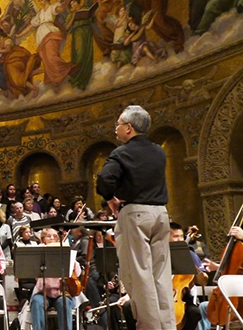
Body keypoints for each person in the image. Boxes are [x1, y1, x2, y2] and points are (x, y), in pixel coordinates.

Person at [97, 106, 173, 330]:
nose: (116, 129)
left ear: (129, 128)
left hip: (136, 215)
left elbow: (104, 180)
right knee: (161, 276)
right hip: (161, 214)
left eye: (118, 124)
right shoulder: (159, 151)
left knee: (139, 276)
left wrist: (110, 197)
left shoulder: (122, 153)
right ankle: (167, 326)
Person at [31, 228, 80, 330]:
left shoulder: (64, 251)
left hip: (62, 292)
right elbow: (35, 275)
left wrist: (72, 261)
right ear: (43, 239)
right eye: (49, 236)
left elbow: (78, 273)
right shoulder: (39, 252)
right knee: (36, 302)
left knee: (64, 302)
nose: (52, 238)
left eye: (55, 236)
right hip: (43, 292)